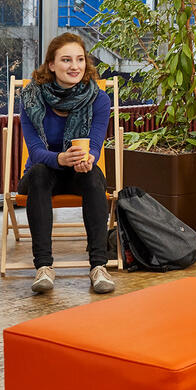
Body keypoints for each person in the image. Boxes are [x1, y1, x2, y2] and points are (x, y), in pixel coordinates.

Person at [19, 32, 115, 294]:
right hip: (44, 171)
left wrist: (88, 159)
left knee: (94, 175)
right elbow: (36, 151)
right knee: (39, 173)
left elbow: (94, 145)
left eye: (80, 59)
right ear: (51, 64)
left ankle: (99, 267)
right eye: (66, 60)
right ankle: (44, 267)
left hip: (78, 172)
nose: (75, 66)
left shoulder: (98, 99)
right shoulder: (30, 98)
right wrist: (60, 158)